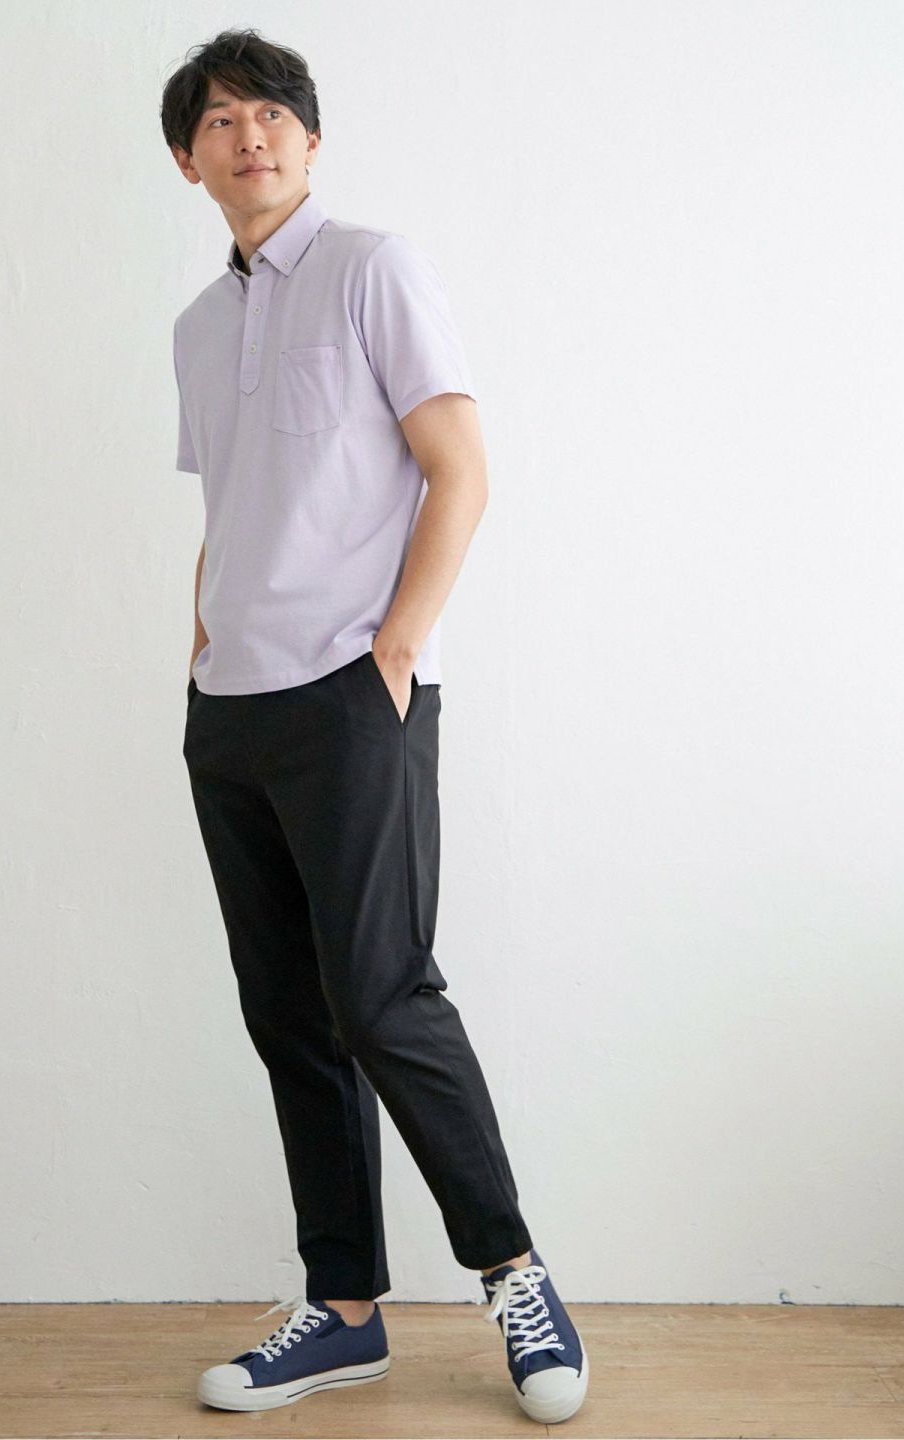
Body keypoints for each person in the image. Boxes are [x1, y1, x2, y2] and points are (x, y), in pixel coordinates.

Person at [159, 27, 587, 1425]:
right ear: (188, 161)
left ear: (310, 138)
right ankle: (343, 1311)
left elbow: (460, 469)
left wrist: (395, 651)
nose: (250, 135)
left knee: (384, 995)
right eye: (219, 121)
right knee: (289, 1015)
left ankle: (514, 1272)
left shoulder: (372, 269)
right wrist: (201, 645)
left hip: (354, 696)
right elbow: (235, 506)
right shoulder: (198, 326)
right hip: (231, 711)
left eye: (271, 113)